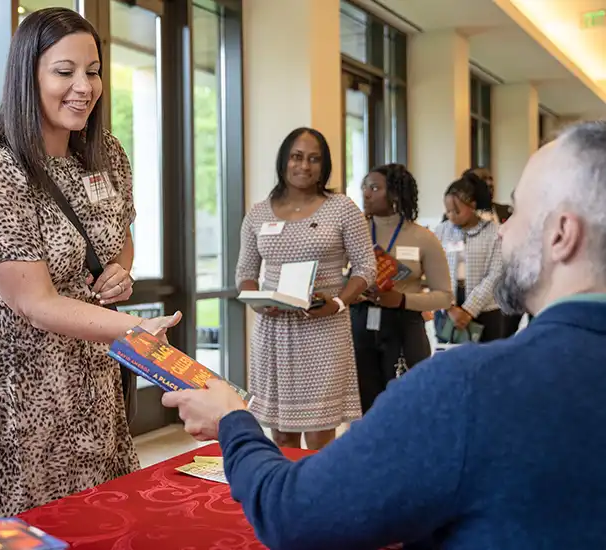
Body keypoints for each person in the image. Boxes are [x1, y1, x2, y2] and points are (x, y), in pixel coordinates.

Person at [162, 119, 606, 550]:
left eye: (517, 210)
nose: (502, 228)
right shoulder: (259, 213)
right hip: (281, 332)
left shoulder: (467, 387)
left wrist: (231, 422)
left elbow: (296, 515)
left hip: (344, 333)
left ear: (562, 234)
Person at [0, 7, 180, 522]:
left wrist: (120, 270)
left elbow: (118, 236)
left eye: (92, 71)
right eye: (64, 72)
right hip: (17, 381)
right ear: (29, 76)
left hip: (90, 370)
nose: (84, 87)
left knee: (96, 518)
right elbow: (35, 302)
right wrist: (135, 329)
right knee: (24, 525)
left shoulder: (104, 152)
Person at [234, 127, 375, 451]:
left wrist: (339, 302)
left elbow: (366, 268)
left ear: (324, 166)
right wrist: (257, 300)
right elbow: (244, 272)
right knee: (281, 434)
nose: (304, 166)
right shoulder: (258, 212)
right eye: (297, 156)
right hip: (274, 331)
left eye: (315, 159)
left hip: (323, 328)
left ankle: (316, 497)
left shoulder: (342, 208)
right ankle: (286, 496)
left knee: (319, 433)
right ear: (284, 160)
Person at [353, 164, 452, 413]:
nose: (366, 193)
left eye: (375, 188)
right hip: (360, 325)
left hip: (404, 328)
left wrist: (402, 300)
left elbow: (445, 297)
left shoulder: (423, 238)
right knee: (365, 410)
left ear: (395, 194)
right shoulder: (355, 233)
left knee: (408, 407)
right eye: (365, 186)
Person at [433, 173, 504, 342]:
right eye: (448, 211)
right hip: (448, 309)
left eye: (456, 210)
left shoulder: (493, 232)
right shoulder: (442, 231)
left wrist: (469, 310)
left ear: (472, 205)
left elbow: (496, 274)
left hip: (486, 309)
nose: (451, 215)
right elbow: (433, 271)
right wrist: (450, 307)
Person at [466, 167, 524, 337]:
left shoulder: (505, 211)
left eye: (491, 178)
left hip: (508, 286)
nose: (490, 183)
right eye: (484, 179)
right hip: (477, 292)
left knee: (505, 336)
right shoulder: (457, 217)